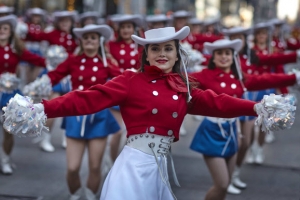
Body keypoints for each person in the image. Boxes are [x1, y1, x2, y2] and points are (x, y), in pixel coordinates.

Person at [7, 26, 286, 200]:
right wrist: (42, 109)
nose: (162, 53)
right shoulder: (130, 80)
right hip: (134, 165)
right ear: (147, 54)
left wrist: (258, 107)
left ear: (177, 55)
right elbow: (86, 99)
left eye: (168, 49)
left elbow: (218, 103)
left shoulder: (181, 86)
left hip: (160, 167)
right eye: (155, 49)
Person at [189, 38, 299, 200]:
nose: (224, 56)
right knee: (222, 184)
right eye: (219, 53)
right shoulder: (204, 76)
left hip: (233, 131)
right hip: (212, 132)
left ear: (234, 56)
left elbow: (265, 79)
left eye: (228, 53)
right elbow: (180, 81)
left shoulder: (239, 77)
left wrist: (293, 78)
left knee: (224, 188)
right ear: (213, 57)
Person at [29, 24, 122, 200]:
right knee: (73, 168)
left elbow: (123, 81)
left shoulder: (106, 63)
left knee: (95, 166)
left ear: (99, 42)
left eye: (93, 38)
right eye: (86, 37)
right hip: (75, 117)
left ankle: (90, 196)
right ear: (81, 41)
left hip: (99, 117)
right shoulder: (73, 60)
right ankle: (77, 194)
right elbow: (54, 76)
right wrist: (36, 87)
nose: (89, 40)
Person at [26, 10, 78, 152]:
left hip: (71, 76)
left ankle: (66, 137)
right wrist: (23, 29)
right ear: (57, 22)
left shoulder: (76, 36)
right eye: (62, 21)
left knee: (70, 108)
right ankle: (46, 138)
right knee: (53, 106)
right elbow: (35, 36)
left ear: (72, 22)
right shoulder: (52, 34)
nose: (65, 23)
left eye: (67, 21)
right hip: (54, 74)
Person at [0, 15, 46, 175]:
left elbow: (37, 59)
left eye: (5, 28)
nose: (2, 31)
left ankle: (5, 159)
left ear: (11, 31)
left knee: (8, 129)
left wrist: (55, 62)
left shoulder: (17, 49)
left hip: (10, 95)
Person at [107, 14, 144, 162]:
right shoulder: (111, 45)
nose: (126, 30)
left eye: (129, 27)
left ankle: (126, 162)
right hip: (117, 87)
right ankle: (112, 160)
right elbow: (108, 65)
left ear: (134, 29)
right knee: (116, 130)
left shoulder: (142, 48)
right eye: (123, 27)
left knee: (132, 131)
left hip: (136, 90)